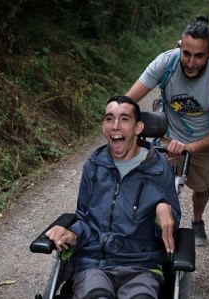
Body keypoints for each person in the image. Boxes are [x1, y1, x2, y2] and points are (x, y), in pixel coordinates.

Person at [45, 95, 181, 299]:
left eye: (124, 119)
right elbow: (84, 217)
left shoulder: (158, 169)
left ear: (138, 128)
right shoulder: (94, 165)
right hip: (94, 263)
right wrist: (72, 233)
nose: (115, 126)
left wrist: (163, 207)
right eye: (109, 119)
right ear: (103, 126)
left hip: (141, 264)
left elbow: (171, 225)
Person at [126, 14, 209, 246]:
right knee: (154, 183)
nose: (190, 62)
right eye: (186, 54)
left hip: (203, 140)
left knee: (201, 186)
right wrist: (118, 121)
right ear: (180, 46)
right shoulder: (166, 62)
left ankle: (197, 220)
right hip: (168, 135)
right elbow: (128, 101)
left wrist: (190, 147)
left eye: (199, 56)